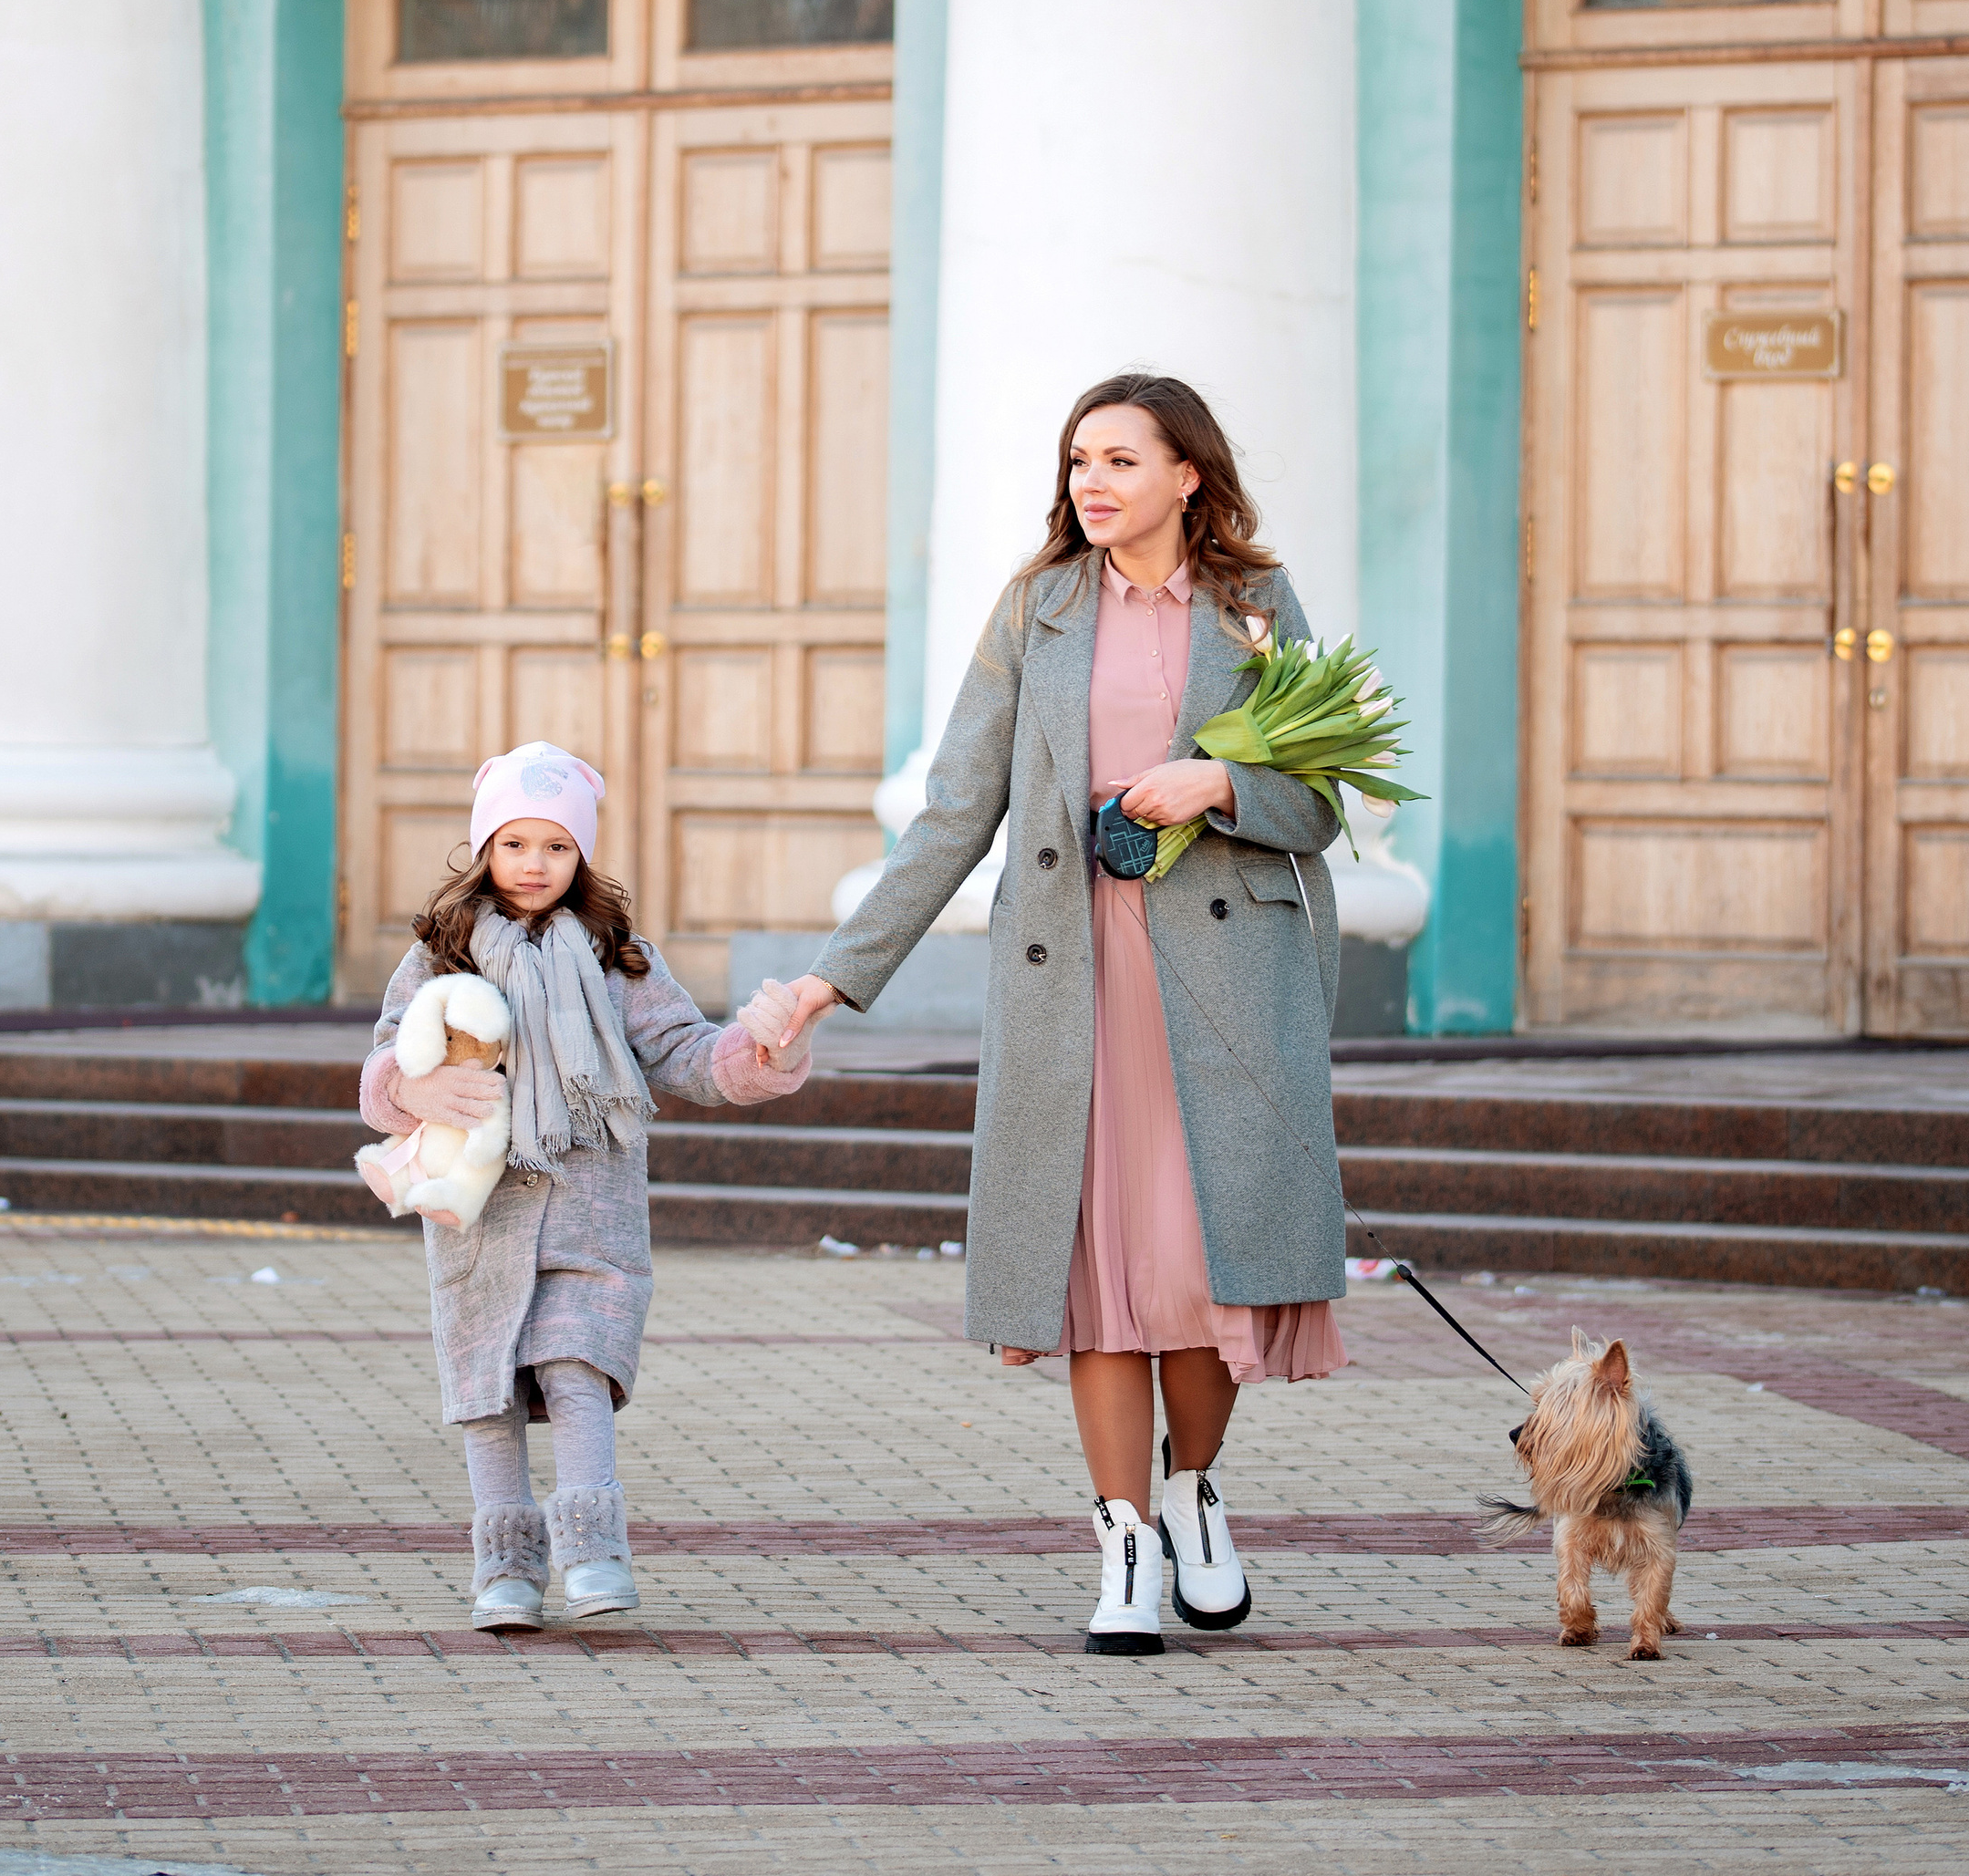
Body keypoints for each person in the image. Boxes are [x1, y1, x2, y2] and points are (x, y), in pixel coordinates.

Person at [770, 372, 1349, 1656]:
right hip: (1072, 984)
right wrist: (833, 974)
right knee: (1102, 1284)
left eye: (1123, 460)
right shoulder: (1037, 609)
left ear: (1188, 474)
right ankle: (1126, 1543)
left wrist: (1219, 783)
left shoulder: (1257, 609)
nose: (1094, 481)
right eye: (1081, 459)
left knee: (1205, 1276)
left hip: (1226, 992)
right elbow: (953, 810)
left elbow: (1322, 806)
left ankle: (1195, 1492)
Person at [358, 740, 810, 1632]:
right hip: (480, 1217)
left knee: (576, 1367)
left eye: (556, 845)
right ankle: (506, 1570)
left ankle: (594, 1551)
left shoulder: (618, 956)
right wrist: (407, 1087)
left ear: (583, 854)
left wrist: (764, 1049)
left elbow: (684, 1051)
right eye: (516, 842)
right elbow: (388, 1051)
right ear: (485, 847)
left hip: (590, 1210)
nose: (535, 863)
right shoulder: (441, 954)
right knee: (488, 1393)